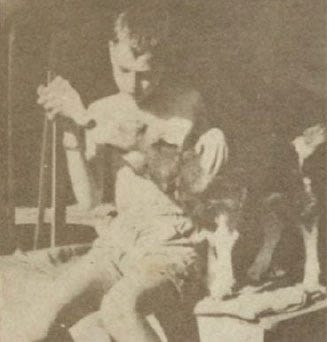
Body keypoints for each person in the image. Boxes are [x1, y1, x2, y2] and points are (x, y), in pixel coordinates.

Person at [4, 2, 226, 341]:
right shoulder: (101, 110)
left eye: (146, 73)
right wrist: (71, 133)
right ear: (110, 51)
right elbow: (90, 199)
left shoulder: (187, 106)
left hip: (171, 246)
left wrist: (96, 126)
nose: (135, 85)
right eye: (123, 71)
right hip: (117, 244)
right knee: (46, 306)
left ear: (164, 62)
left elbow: (189, 185)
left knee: (119, 307)